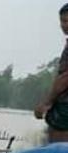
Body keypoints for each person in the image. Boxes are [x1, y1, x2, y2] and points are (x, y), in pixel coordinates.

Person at [35, 3, 68, 142]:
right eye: (62, 21)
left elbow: (65, 78)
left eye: (67, 20)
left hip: (65, 108)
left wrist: (45, 103)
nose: (64, 25)